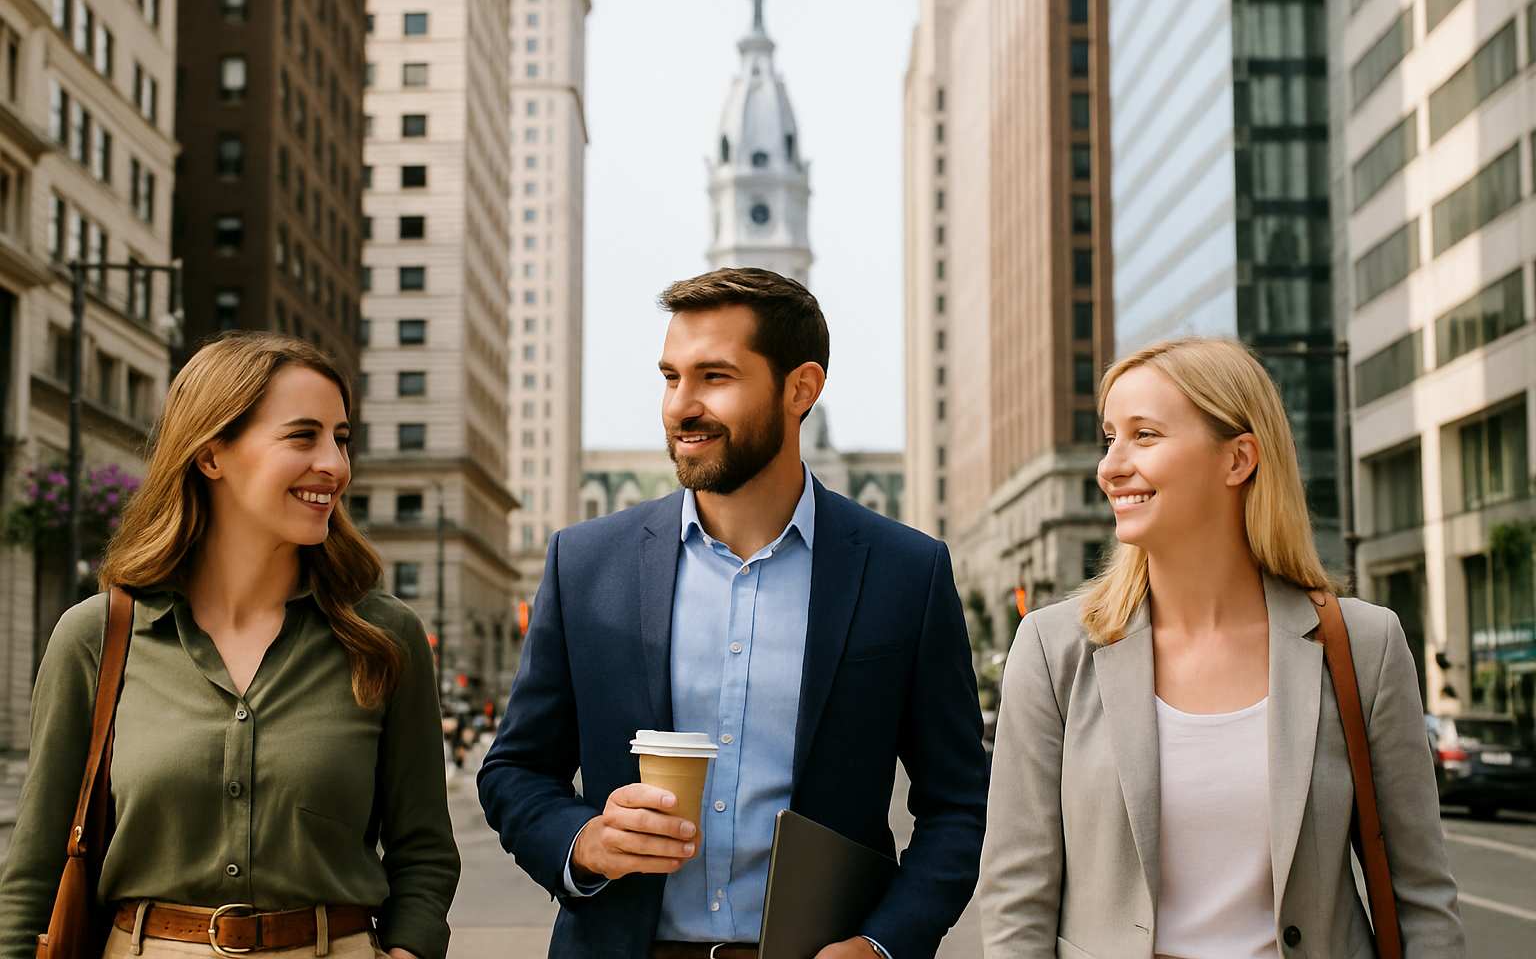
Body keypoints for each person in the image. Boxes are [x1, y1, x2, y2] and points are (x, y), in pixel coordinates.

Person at [478, 269, 988, 958]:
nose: (681, 406)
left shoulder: (907, 573)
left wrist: (881, 944)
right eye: (670, 377)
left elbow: (958, 804)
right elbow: (514, 771)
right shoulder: (586, 564)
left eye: (714, 377)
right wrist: (584, 842)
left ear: (799, 389)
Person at [977, 337, 1464, 958]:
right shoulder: (1051, 650)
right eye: (1110, 437)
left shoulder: (1364, 646)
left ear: (1238, 460)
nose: (1110, 466)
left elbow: (1421, 896)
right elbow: (1017, 894)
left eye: (1145, 435)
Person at [0, 333, 459, 959]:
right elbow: (36, 867)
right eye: (303, 436)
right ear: (212, 455)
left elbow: (425, 848)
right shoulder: (98, 637)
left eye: (341, 438)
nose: (335, 464)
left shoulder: (383, 635)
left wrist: (407, 951)